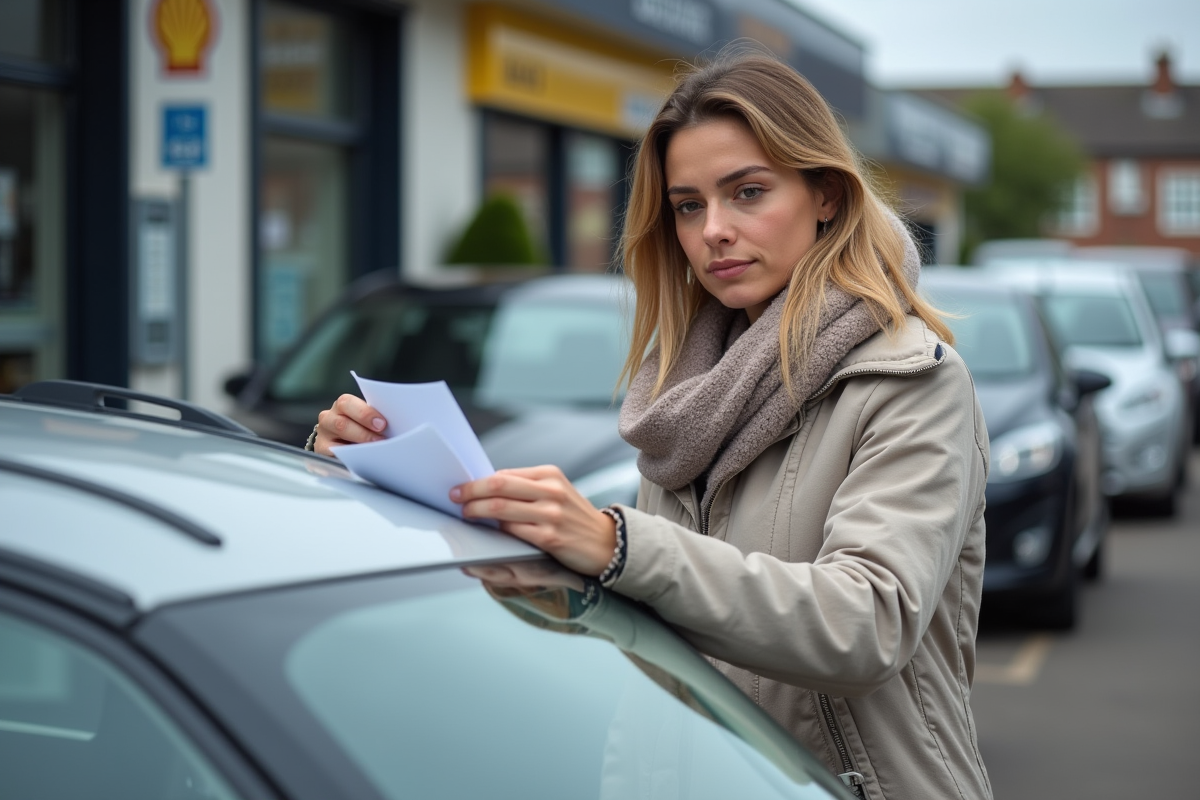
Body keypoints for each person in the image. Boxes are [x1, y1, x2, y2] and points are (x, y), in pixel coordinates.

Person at [312, 51, 992, 800]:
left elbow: (867, 626)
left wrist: (618, 545)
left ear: (826, 194)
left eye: (748, 192)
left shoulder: (913, 381)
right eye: (688, 206)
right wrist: (470, 513)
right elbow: (657, 620)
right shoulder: (687, 395)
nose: (714, 230)